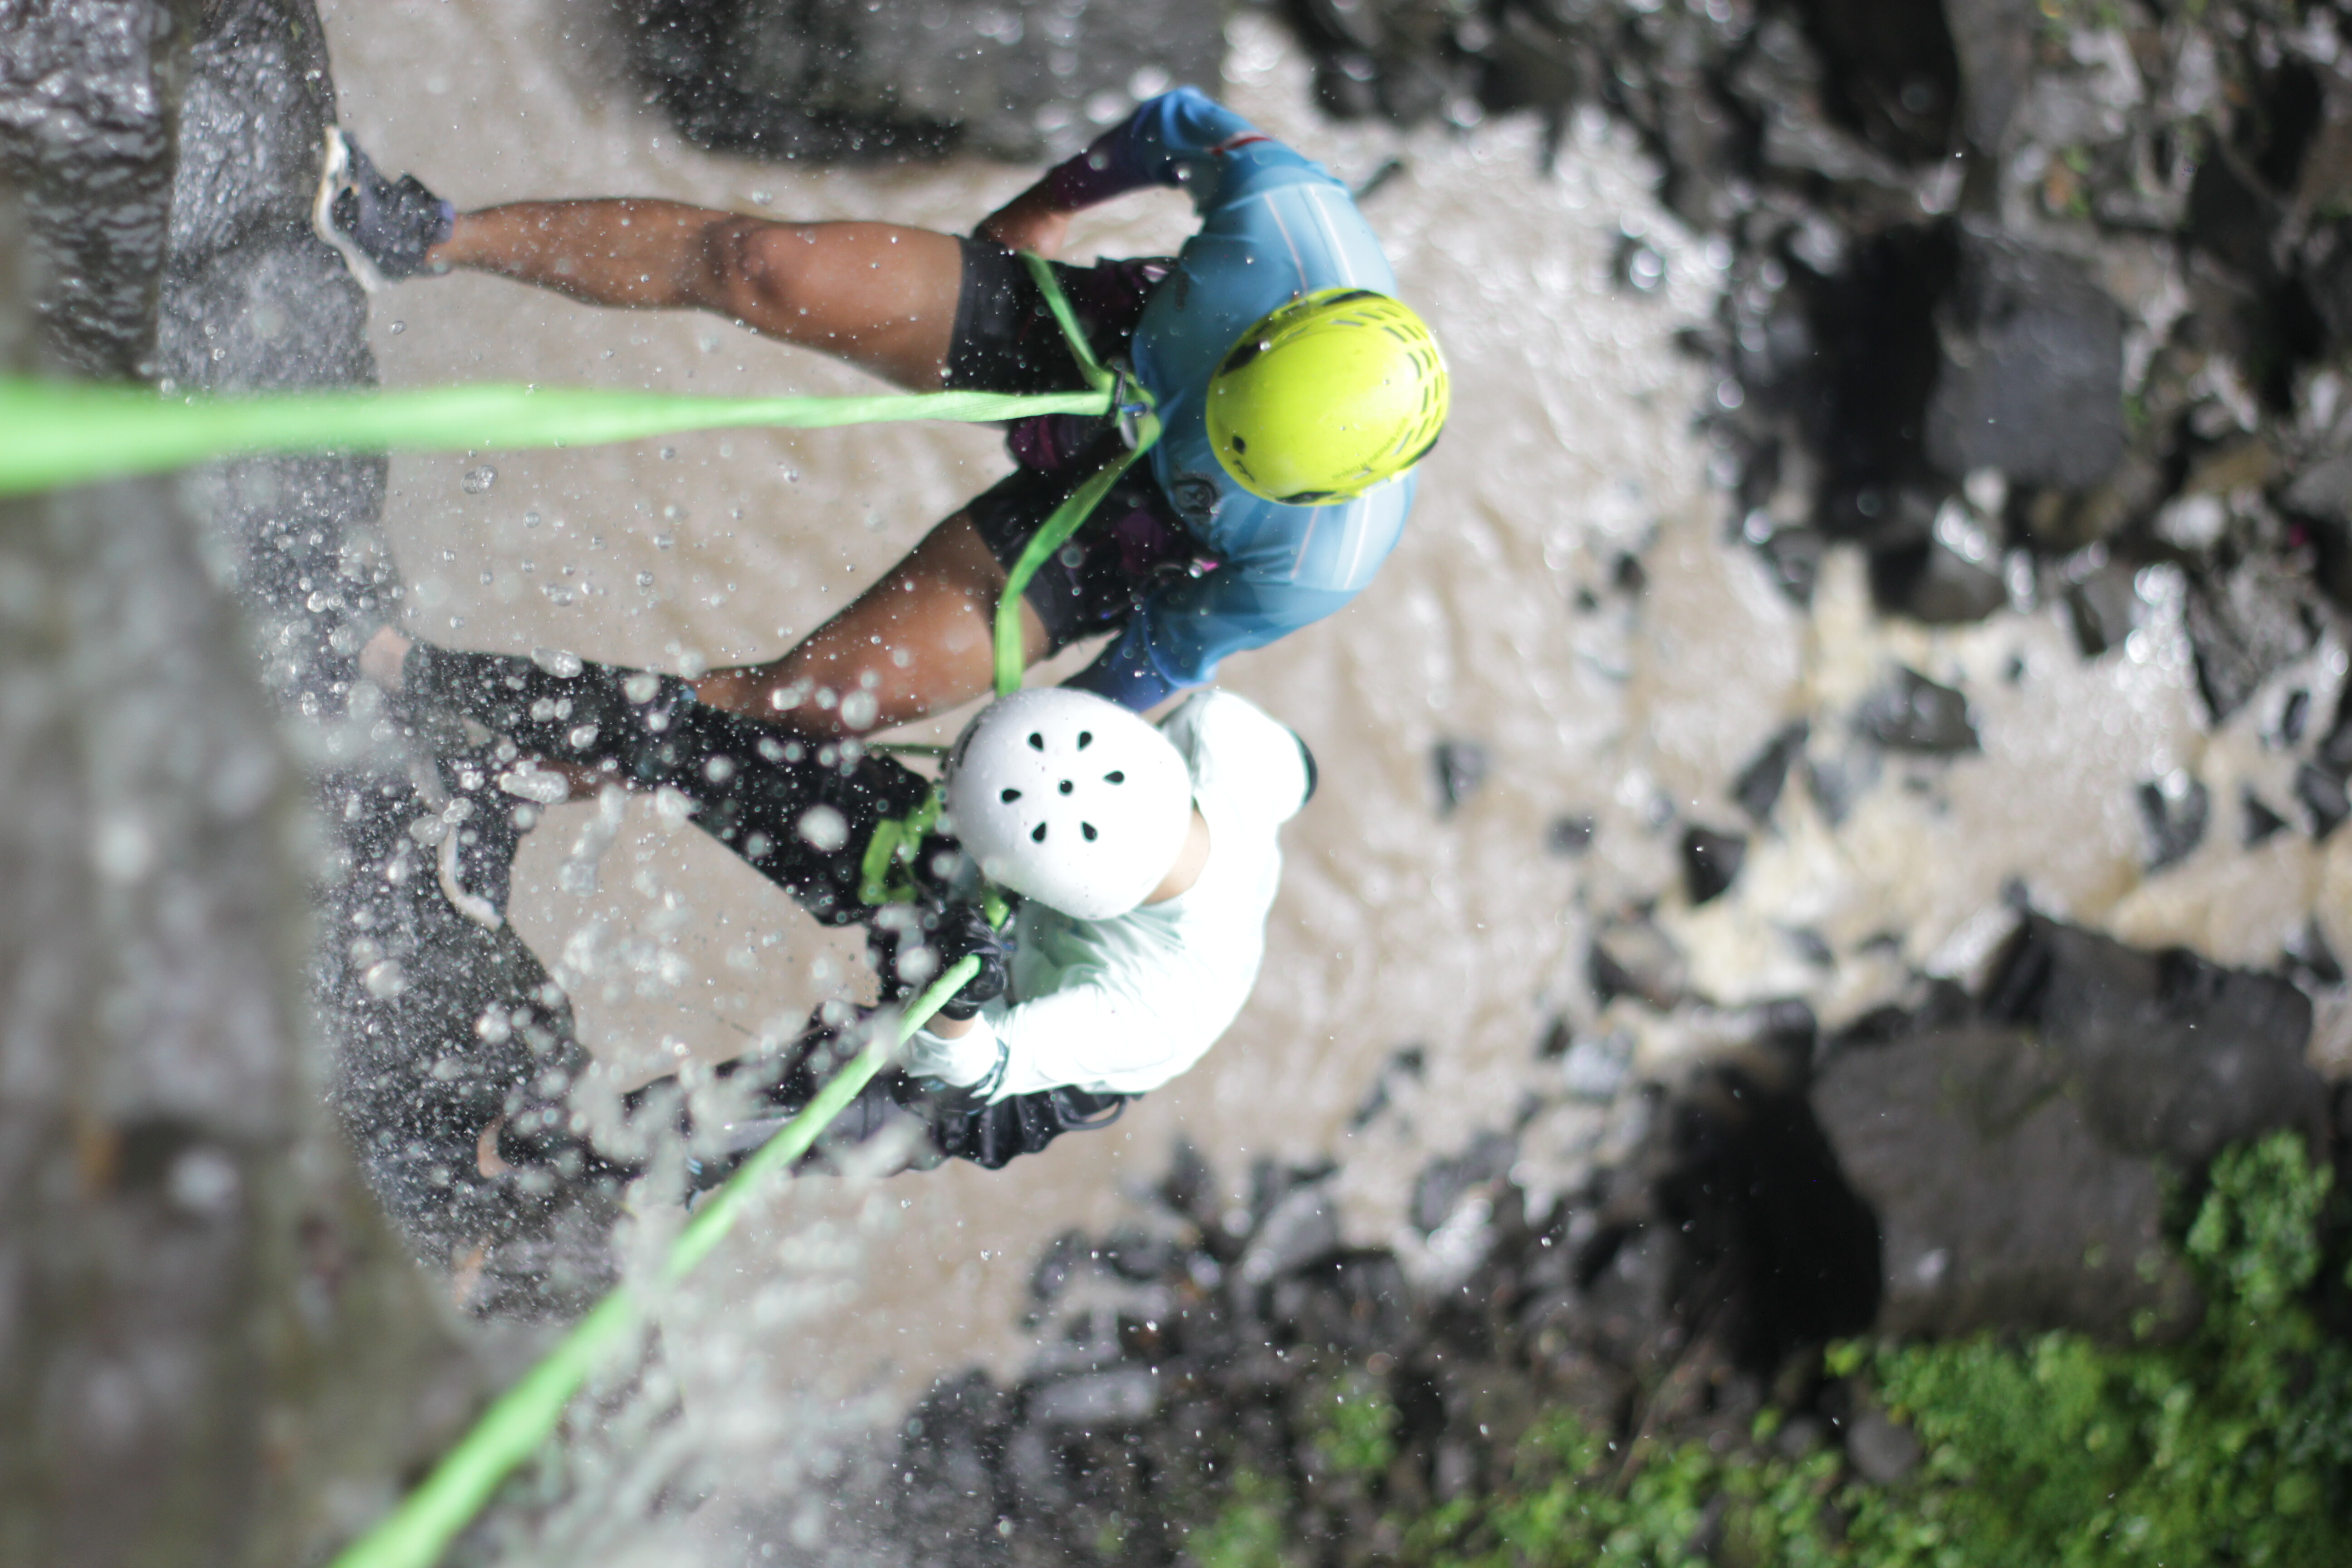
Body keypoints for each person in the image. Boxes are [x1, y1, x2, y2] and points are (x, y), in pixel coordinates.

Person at [319, 87, 1448, 733]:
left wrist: (1036, 762)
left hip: (1119, 532)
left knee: (794, 706)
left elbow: (1149, 668)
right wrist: (1049, 203)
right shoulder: (1288, 221)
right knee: (763, 265)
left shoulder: (1320, 560)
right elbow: (1170, 126)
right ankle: (422, 235)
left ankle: (442, 706)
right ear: (1278, 324)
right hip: (1102, 341)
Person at [358, 623, 1316, 1184]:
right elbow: (1298, 768)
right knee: (697, 740)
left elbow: (975, 1068)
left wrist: (963, 997)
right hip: (971, 870)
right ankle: (417, 669)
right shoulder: (1222, 742)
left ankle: (496, 1158)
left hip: (990, 1054)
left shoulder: (1147, 1003)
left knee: (713, 1125)